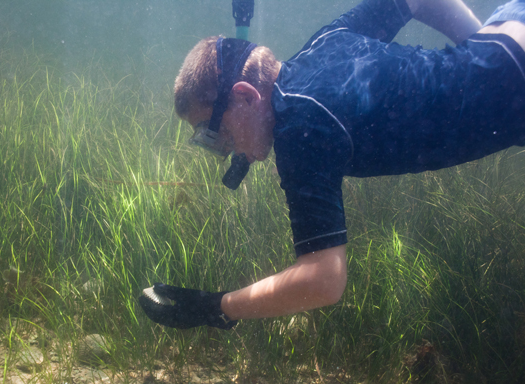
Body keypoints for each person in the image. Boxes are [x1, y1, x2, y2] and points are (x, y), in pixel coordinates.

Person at [138, 0, 525, 330]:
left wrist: (216, 308)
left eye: (213, 133)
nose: (223, 149)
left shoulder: (299, 129)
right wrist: (484, 59)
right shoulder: (321, 44)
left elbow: (324, 280)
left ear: (245, 96)